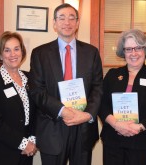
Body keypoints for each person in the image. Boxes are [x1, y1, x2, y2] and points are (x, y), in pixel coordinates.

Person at [29, 3, 103, 165]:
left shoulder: (91, 53)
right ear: (54, 24)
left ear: (77, 23)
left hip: (83, 128)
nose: (67, 22)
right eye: (61, 18)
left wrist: (87, 114)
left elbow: (98, 87)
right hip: (52, 126)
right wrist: (62, 111)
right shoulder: (40, 53)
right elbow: (37, 90)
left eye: (72, 18)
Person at [98, 29, 146, 165]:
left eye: (138, 48)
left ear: (145, 50)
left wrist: (140, 127)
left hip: (141, 142)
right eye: (128, 49)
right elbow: (101, 104)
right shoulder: (112, 75)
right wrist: (116, 124)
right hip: (113, 140)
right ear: (123, 52)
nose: (133, 53)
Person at [0, 31, 37, 165]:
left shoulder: (30, 78)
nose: (13, 54)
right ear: (0, 55)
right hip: (3, 151)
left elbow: (36, 112)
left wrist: (32, 139)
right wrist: (22, 143)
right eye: (7, 50)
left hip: (26, 152)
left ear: (22, 52)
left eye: (16, 49)